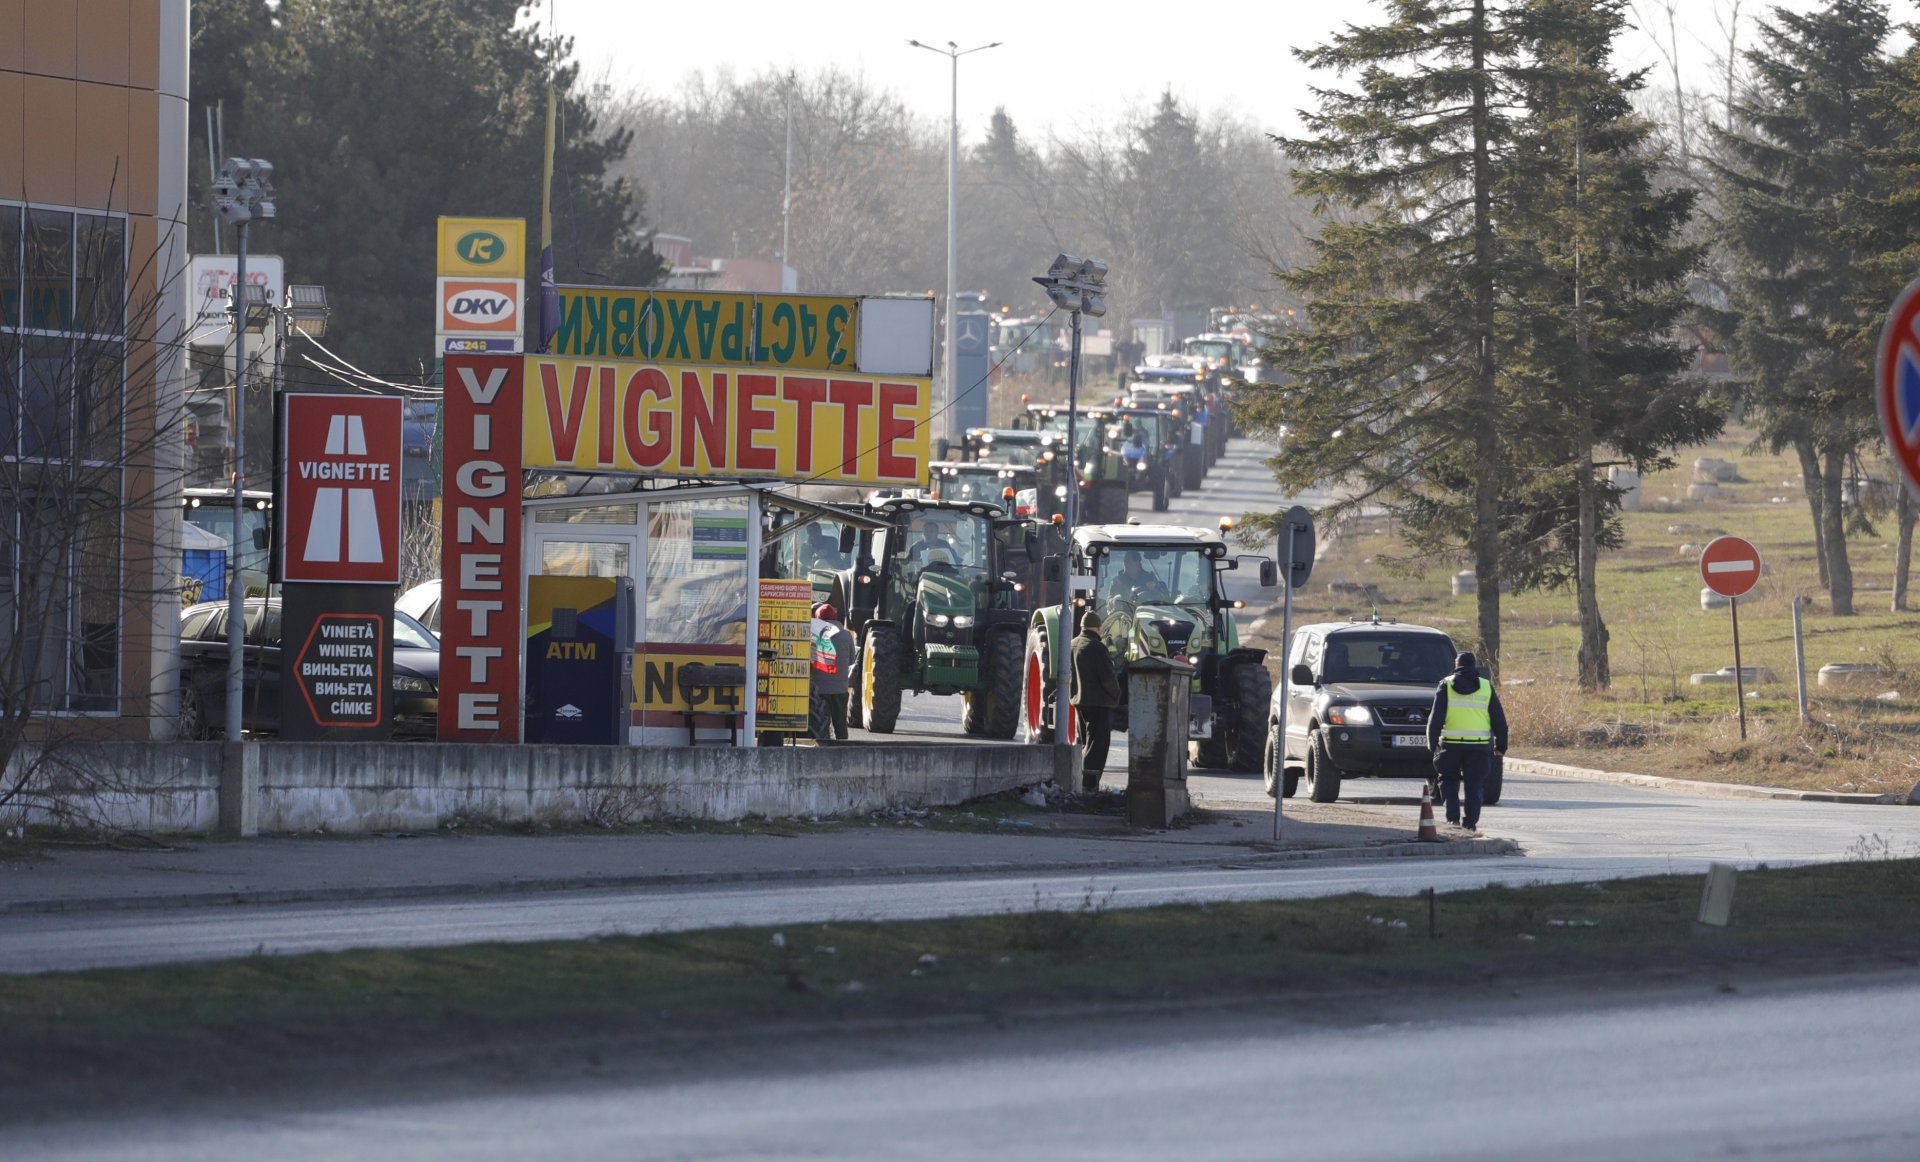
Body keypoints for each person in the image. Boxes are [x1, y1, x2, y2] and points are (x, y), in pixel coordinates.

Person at [1425, 650, 1509, 831]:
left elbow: (1436, 717)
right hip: (1479, 746)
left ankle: (1452, 819)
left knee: (1448, 780)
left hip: (1450, 744)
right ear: (1474, 666)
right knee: (1475, 784)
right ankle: (1470, 823)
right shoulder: (1486, 687)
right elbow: (1499, 719)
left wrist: (1432, 742)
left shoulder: (1445, 685)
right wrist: (1501, 745)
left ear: (1456, 666)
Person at [1070, 609, 1122, 793]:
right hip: (1099, 703)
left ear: (1081, 626)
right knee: (1097, 747)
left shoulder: (1072, 644)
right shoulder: (1098, 648)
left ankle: (1080, 783)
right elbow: (1108, 678)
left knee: (1085, 743)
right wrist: (1117, 695)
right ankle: (1089, 786)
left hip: (1080, 702)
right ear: (1099, 628)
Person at [809, 602, 855, 742]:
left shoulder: (813, 635)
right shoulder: (847, 636)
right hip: (840, 689)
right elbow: (851, 661)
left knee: (820, 725)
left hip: (819, 690)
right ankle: (843, 748)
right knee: (840, 724)